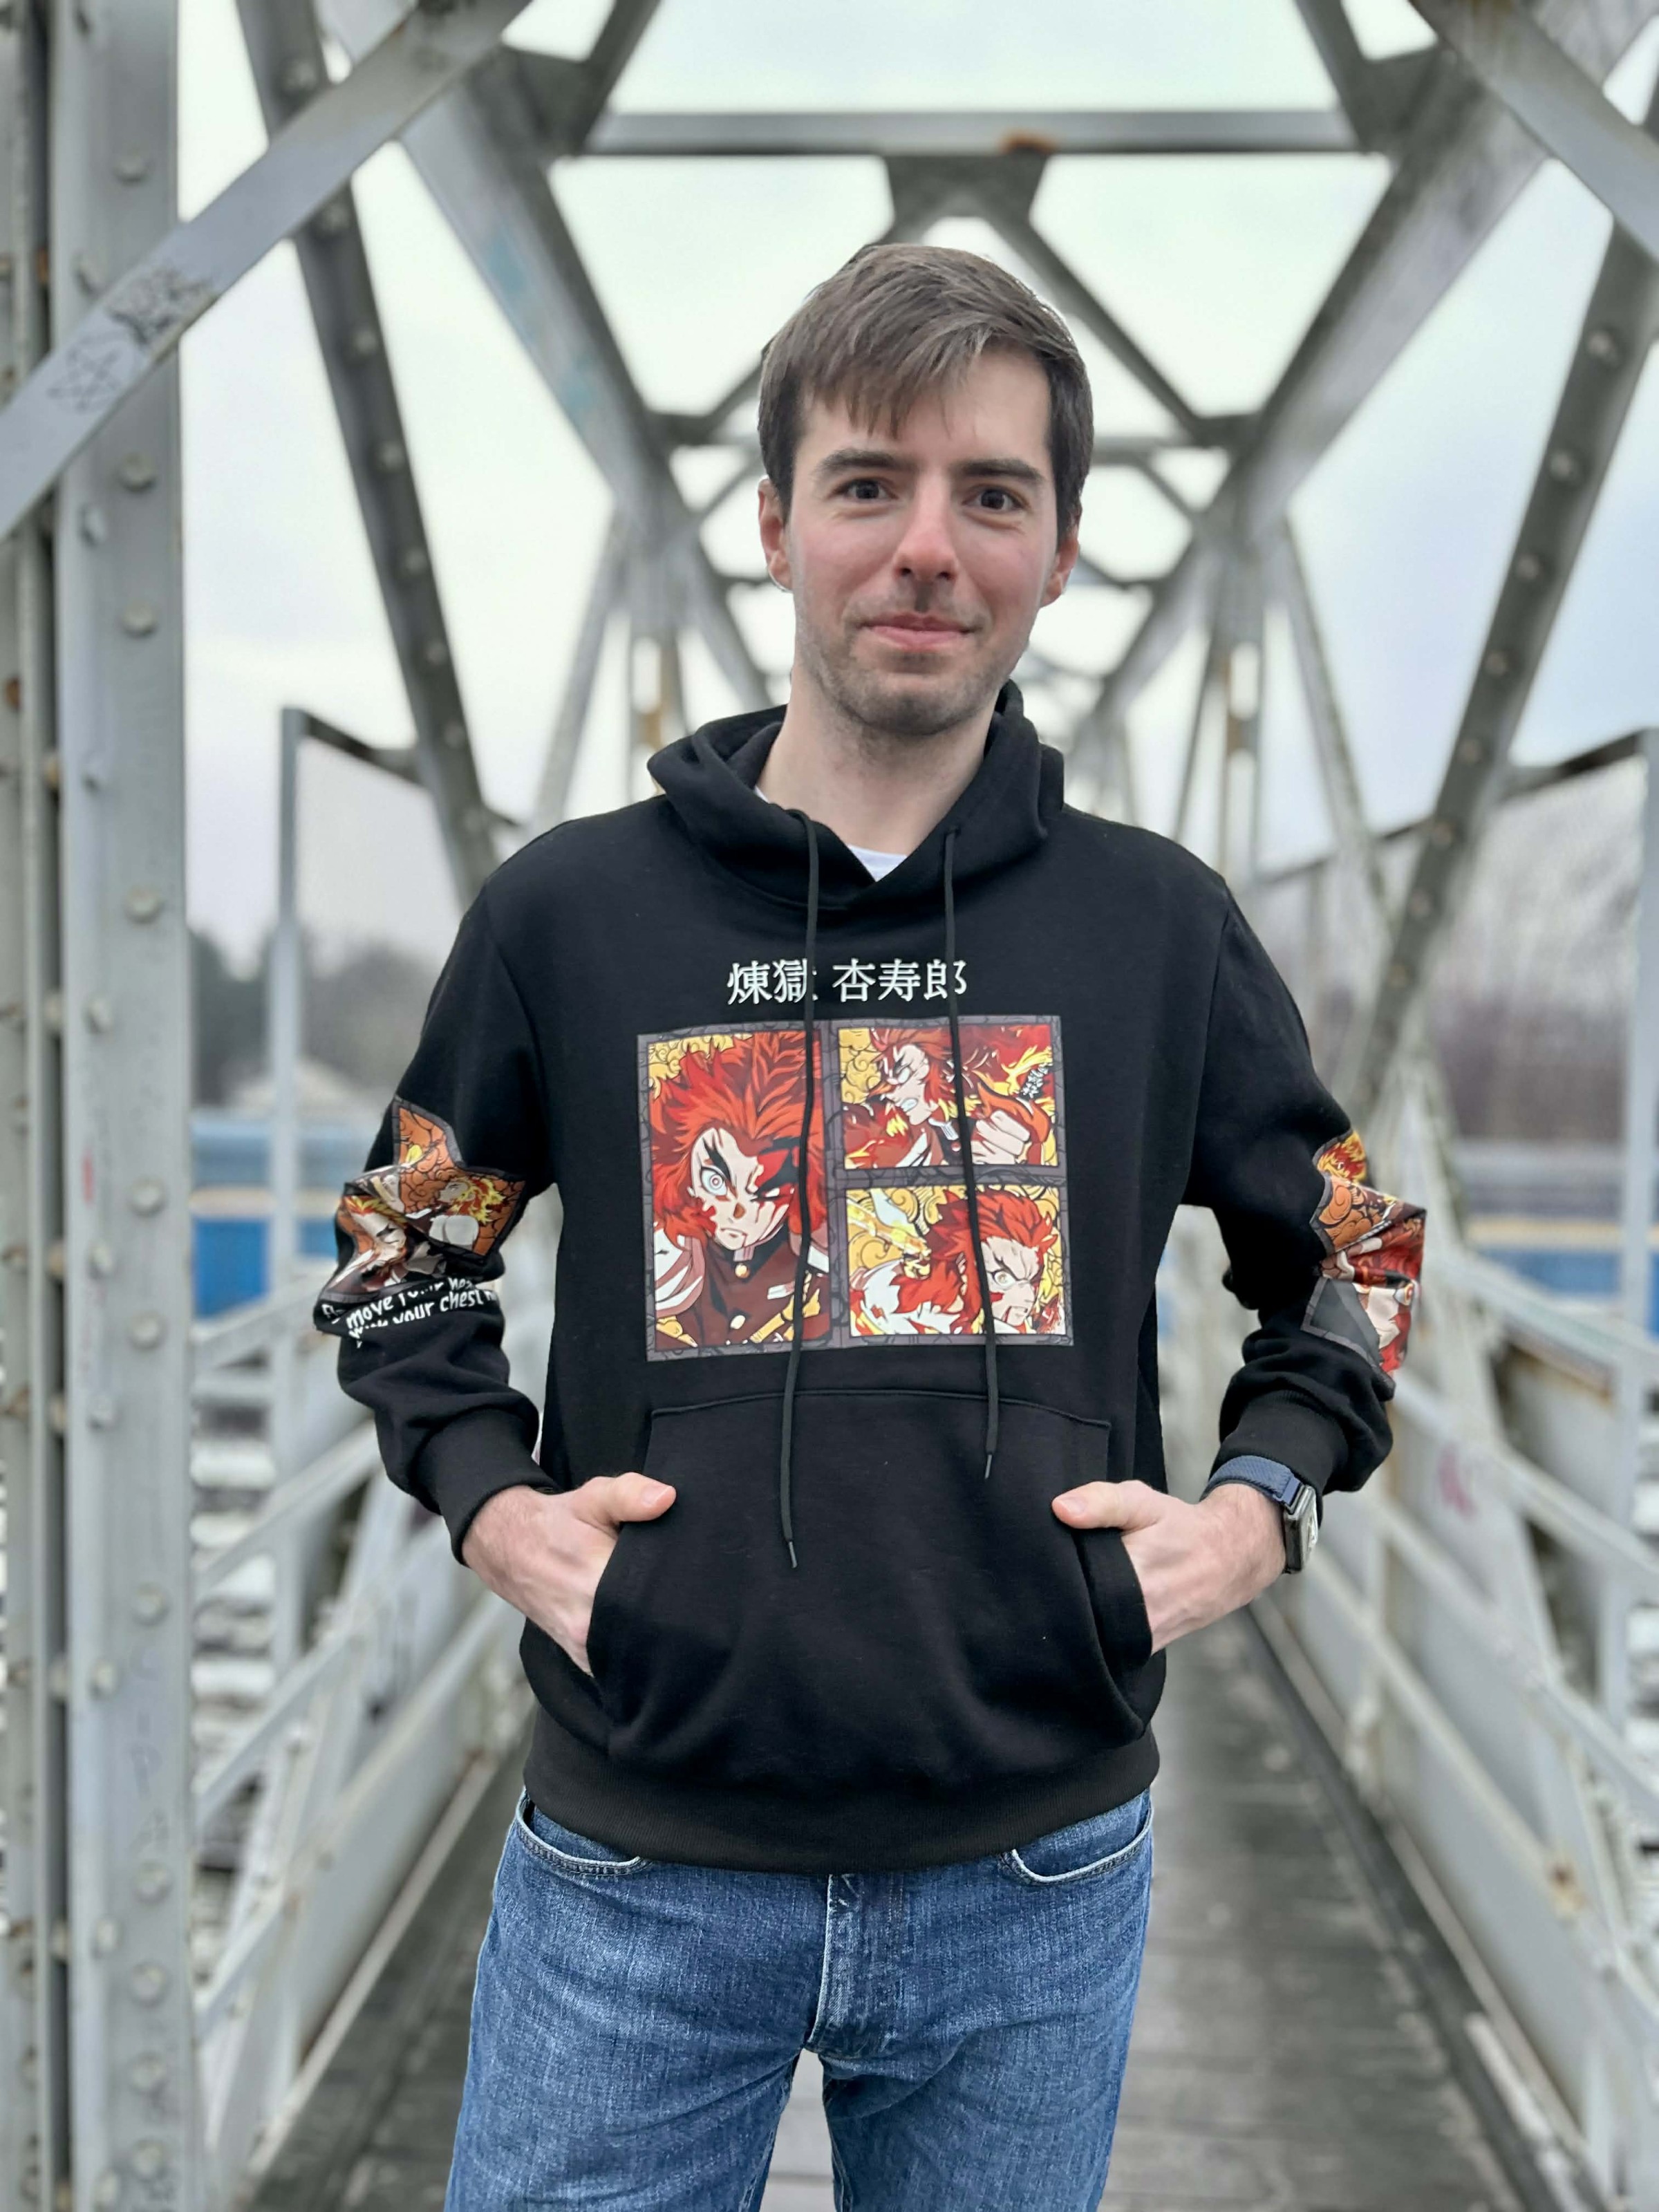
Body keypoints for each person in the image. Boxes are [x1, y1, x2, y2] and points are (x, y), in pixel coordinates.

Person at [316, 242, 1425, 2212]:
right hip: (639, 1866)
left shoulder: (1155, 930)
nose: (927, 547)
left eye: (992, 493)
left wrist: (1258, 1516)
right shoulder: (574, 916)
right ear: (775, 526)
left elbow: (1362, 1250)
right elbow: (402, 1253)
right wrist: (495, 1509)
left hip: (1037, 1871)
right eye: (868, 484)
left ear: (1060, 550)